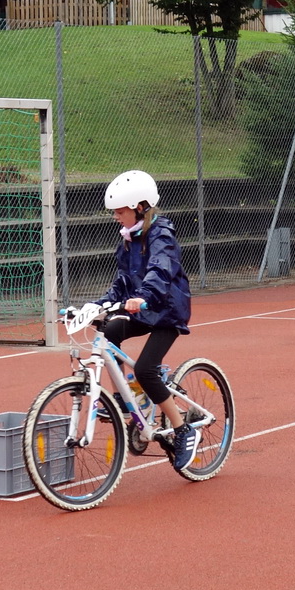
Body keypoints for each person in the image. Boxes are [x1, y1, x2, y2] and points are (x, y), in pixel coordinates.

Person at [88, 170, 198, 471]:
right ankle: (126, 397)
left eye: (120, 211)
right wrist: (97, 305)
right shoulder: (126, 240)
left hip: (166, 311)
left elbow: (160, 271)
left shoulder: (161, 234)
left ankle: (182, 429)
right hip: (142, 308)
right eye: (114, 212)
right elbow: (122, 281)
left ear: (139, 207)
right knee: (109, 330)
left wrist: (145, 295)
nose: (115, 217)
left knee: (147, 369)